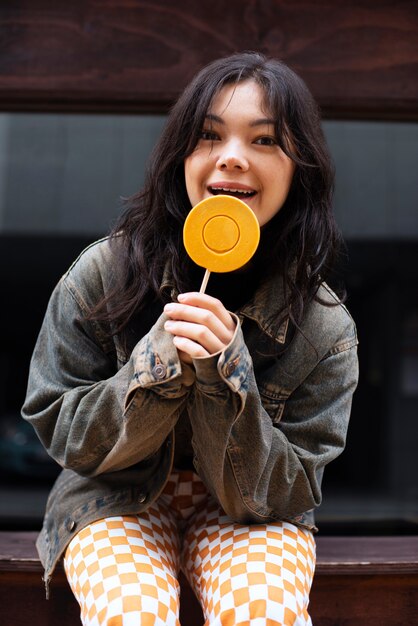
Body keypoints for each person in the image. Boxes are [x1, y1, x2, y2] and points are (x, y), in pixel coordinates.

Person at [22, 51, 358, 626]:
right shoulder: (104, 273)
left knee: (267, 613)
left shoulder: (325, 328)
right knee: (131, 612)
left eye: (263, 140)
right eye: (209, 135)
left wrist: (226, 372)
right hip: (115, 499)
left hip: (247, 514)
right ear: (181, 154)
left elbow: (289, 491)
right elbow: (63, 433)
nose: (231, 157)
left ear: (300, 168)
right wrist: (160, 361)